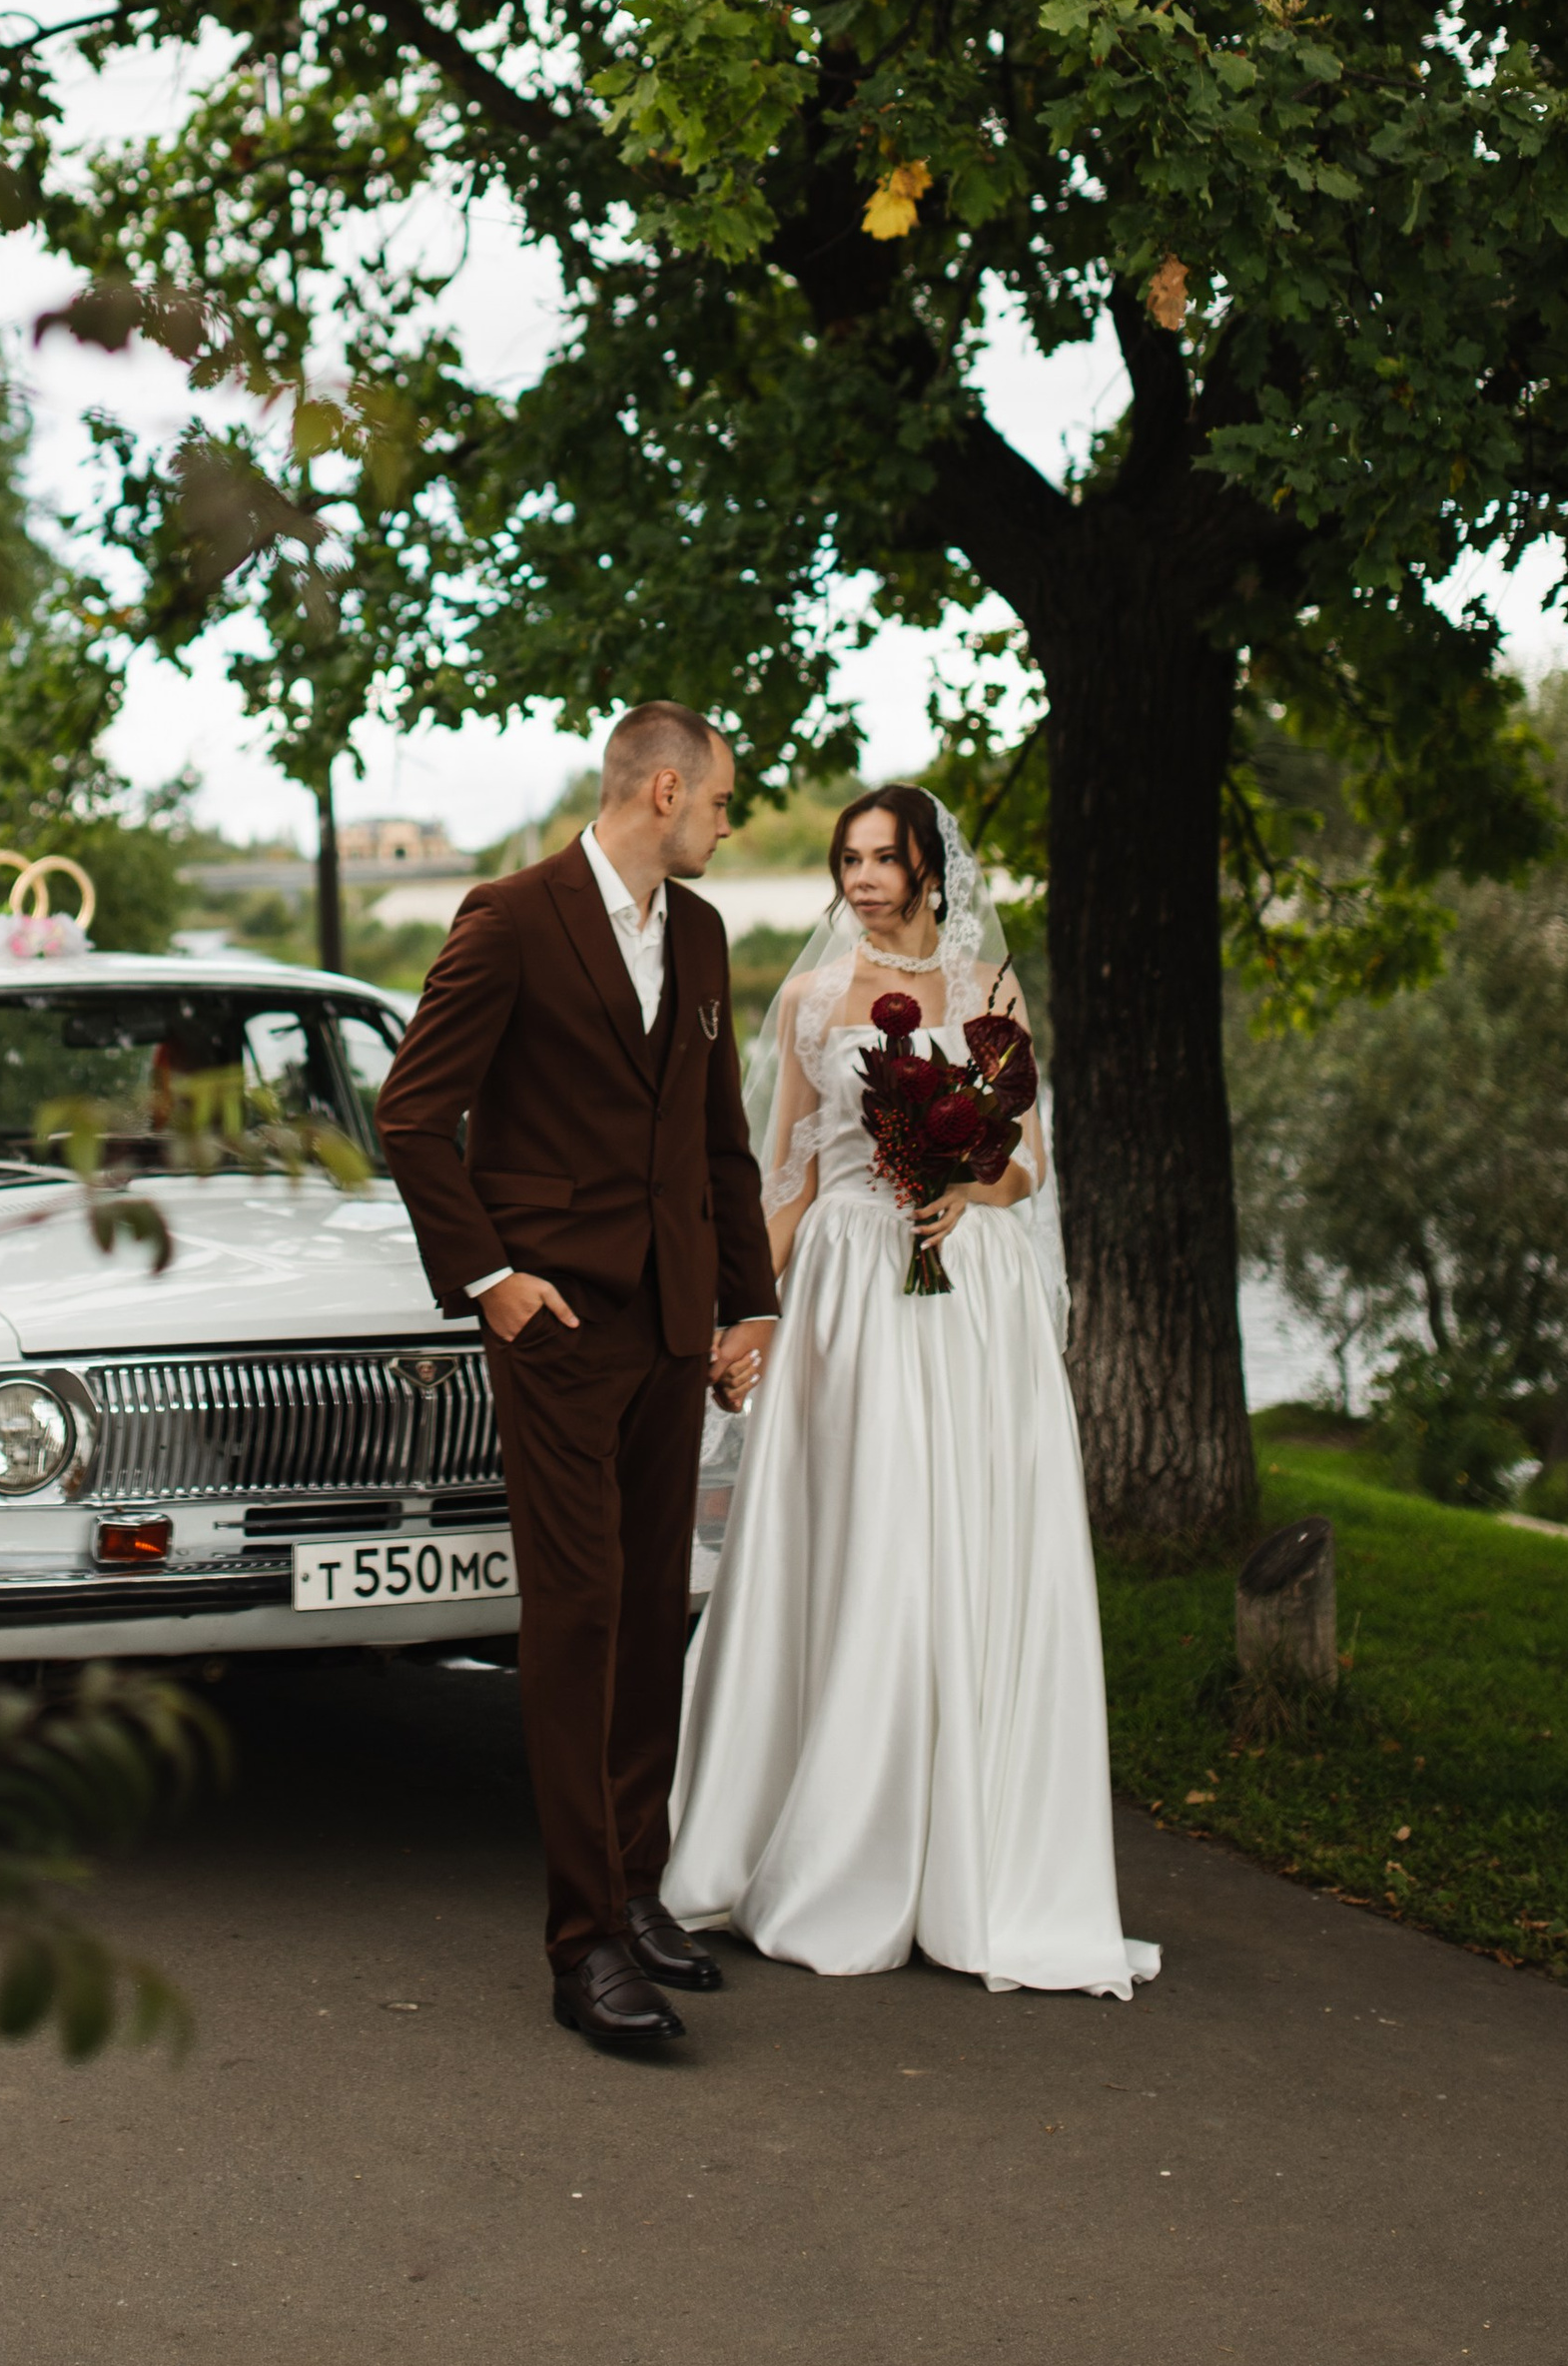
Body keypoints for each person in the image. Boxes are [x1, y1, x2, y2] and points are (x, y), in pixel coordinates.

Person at [664, 782, 1159, 1999]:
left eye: (885, 857)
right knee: (865, 1543)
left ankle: (969, 1859)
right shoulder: (808, 997)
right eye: (849, 857)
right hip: (845, 1294)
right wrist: (745, 1312)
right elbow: (779, 1174)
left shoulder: (993, 992)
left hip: (966, 1294)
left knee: (967, 1547)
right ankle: (833, 1835)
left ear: (931, 867)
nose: (864, 877)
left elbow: (1028, 1157)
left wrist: (969, 1188)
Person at [375, 703, 777, 2054]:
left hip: (673, 1324)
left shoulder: (705, 937)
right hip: (555, 1323)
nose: (732, 820)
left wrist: (751, 1300)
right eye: (723, 798)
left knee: (652, 1607)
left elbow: (718, 1140)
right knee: (580, 1614)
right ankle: (581, 1943)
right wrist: (493, 1280)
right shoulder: (509, 916)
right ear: (663, 788)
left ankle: (637, 1885)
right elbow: (414, 1115)